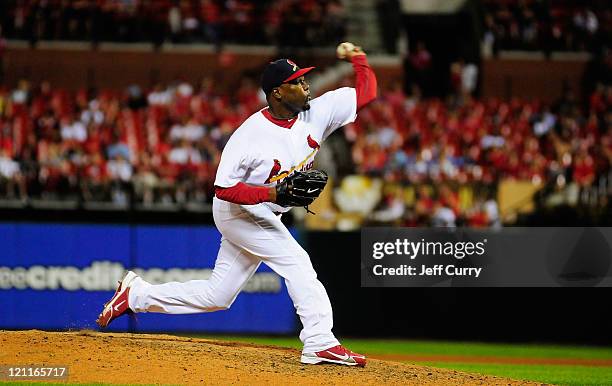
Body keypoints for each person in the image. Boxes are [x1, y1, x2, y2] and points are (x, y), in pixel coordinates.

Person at [96, 43, 377, 367]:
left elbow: (365, 94)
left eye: (304, 79)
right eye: (297, 82)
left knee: (218, 296)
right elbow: (223, 189)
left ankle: (136, 295)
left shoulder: (317, 112)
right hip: (238, 211)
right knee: (297, 260)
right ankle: (319, 340)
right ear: (277, 94)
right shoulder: (250, 136)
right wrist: (272, 194)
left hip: (264, 211)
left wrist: (359, 59)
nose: (306, 85)